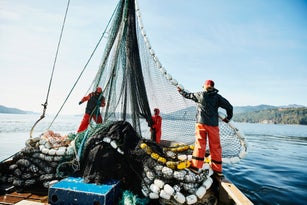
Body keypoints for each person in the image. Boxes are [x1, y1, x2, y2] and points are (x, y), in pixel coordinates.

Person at [178, 80, 233, 177]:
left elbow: (187, 95)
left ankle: (195, 166)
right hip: (213, 125)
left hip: (201, 124)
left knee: (200, 145)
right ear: (213, 87)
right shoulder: (218, 97)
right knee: (215, 146)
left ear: (204, 86)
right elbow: (229, 106)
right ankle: (218, 170)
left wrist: (181, 91)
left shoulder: (199, 95)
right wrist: (228, 118)